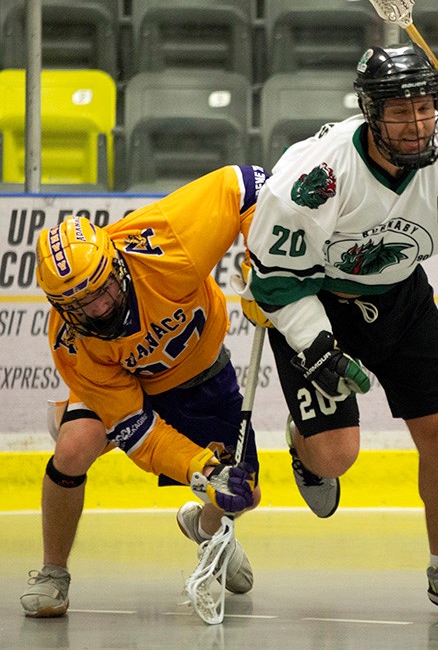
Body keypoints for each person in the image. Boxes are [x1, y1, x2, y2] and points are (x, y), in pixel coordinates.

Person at [239, 44, 438, 620]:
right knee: (335, 457)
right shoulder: (314, 177)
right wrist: (318, 347)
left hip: (402, 296)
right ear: (371, 113)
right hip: (318, 299)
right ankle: (303, 444)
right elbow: (275, 281)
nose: (416, 125)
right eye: (399, 111)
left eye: (425, 108)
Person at [20, 165, 268, 617]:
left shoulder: (168, 240)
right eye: (79, 304)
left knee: (242, 489)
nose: (98, 307)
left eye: (102, 290)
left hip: (200, 374)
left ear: (117, 262)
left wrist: (263, 263)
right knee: (73, 450)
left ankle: (208, 531)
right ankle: (53, 572)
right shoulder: (71, 340)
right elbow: (135, 428)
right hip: (129, 387)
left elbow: (248, 183)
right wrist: (197, 466)